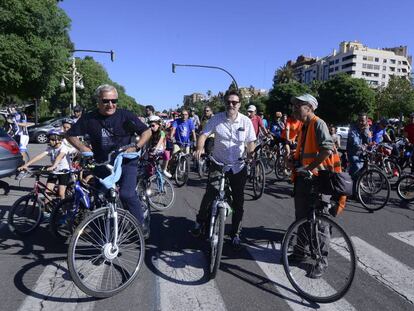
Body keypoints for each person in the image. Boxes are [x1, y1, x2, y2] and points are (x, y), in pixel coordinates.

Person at [66, 84, 152, 235]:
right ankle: (105, 232)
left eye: (114, 100)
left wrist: (136, 147)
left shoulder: (125, 115)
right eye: (106, 101)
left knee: (126, 194)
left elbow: (147, 131)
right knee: (100, 197)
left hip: (125, 161)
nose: (111, 104)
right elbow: (69, 134)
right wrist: (83, 148)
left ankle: (140, 225)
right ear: (98, 101)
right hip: (102, 163)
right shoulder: (89, 118)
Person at [193, 89, 256, 249]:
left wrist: (250, 155)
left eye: (234, 102)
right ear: (225, 103)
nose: (231, 104)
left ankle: (235, 232)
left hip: (238, 165)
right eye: (228, 102)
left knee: (238, 201)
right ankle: (200, 221)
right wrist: (199, 147)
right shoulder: (216, 119)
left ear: (239, 104)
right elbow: (203, 134)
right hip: (218, 163)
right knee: (211, 192)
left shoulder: (245, 122)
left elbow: (250, 142)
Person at [289, 93, 336, 278]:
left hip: (317, 180)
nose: (293, 109)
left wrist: (310, 167)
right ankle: (300, 253)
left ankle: (321, 261)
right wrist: (293, 160)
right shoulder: (303, 127)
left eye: (297, 105)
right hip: (303, 180)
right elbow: (303, 153)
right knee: (301, 218)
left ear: (309, 107)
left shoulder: (318, 123)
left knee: (320, 223)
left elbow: (327, 149)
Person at [18, 130, 71, 200]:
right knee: (47, 192)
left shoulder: (63, 148)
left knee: (61, 193)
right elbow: (39, 156)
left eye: (52, 139)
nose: (50, 141)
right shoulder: (50, 148)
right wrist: (26, 165)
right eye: (49, 139)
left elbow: (59, 157)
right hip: (54, 171)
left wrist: (54, 166)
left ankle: (64, 209)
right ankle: (48, 209)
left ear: (58, 140)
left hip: (64, 172)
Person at [346, 112, 372, 190]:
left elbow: (368, 141)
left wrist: (366, 131)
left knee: (366, 166)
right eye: (359, 120)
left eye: (362, 120)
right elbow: (354, 142)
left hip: (361, 153)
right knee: (357, 167)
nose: (360, 122)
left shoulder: (366, 129)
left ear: (366, 121)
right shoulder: (353, 129)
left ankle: (357, 184)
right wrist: (362, 147)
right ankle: (349, 186)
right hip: (353, 153)